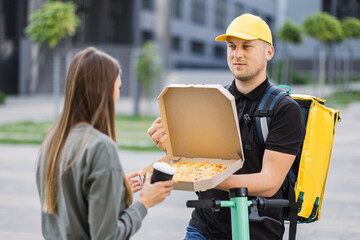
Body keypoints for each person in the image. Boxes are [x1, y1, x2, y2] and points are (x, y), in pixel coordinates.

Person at [148, 14, 305, 240]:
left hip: (257, 232)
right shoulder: (213, 99)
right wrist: (171, 149)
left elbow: (269, 182)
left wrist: (206, 179)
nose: (237, 54)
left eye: (247, 46)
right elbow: (200, 160)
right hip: (203, 228)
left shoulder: (284, 109)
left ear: (269, 52)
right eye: (232, 46)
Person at [36, 47, 174, 240]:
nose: (117, 97)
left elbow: (71, 201)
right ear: (104, 91)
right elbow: (106, 236)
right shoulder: (101, 147)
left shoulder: (52, 139)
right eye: (118, 87)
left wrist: (113, 186)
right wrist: (144, 202)